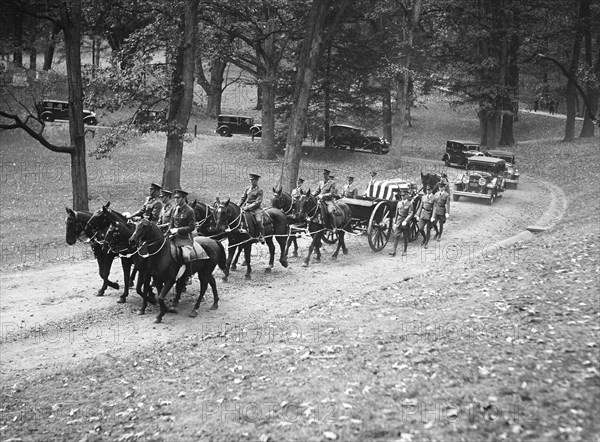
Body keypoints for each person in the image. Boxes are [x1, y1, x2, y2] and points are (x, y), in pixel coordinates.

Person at [239, 173, 265, 243]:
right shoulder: (248, 188)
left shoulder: (260, 190)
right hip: (246, 207)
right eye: (251, 180)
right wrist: (238, 206)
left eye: (253, 180)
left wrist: (248, 207)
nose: (252, 182)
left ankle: (262, 236)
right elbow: (243, 198)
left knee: (258, 221)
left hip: (256, 209)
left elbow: (258, 202)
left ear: (257, 181)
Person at [389, 188, 415, 257]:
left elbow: (410, 214)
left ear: (407, 195)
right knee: (396, 236)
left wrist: (406, 221)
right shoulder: (399, 203)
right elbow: (397, 213)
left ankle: (405, 251)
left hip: (405, 221)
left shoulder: (410, 204)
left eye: (404, 195)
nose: (402, 197)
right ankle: (394, 251)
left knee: (405, 237)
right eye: (402, 195)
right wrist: (395, 222)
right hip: (399, 221)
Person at [416, 185, 437, 249]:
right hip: (423, 214)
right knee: (420, 228)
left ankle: (426, 243)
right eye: (427, 190)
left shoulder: (434, 198)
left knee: (428, 229)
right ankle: (424, 238)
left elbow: (434, 208)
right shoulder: (423, 197)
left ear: (431, 190)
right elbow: (420, 206)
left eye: (429, 190)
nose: (428, 191)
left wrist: (433, 216)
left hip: (429, 215)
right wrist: (417, 215)